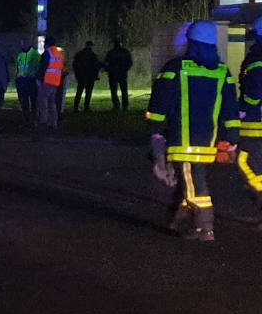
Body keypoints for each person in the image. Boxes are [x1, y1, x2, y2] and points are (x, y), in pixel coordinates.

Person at [146, 20, 239, 241]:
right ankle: (176, 220)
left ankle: (204, 228)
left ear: (191, 42)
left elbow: (159, 105)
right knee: (190, 179)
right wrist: (231, 139)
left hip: (182, 141)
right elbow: (230, 110)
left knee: (194, 182)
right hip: (208, 142)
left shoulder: (176, 68)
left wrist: (155, 130)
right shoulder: (222, 72)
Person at [237, 17, 262, 225]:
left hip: (256, 123)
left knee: (244, 161)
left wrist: (245, 108)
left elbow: (254, 91)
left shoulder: (257, 59)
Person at [35, 36, 64, 131]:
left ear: (46, 44)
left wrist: (39, 78)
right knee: (52, 103)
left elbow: (43, 66)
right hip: (55, 82)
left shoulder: (48, 53)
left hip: (46, 81)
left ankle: (44, 122)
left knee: (43, 102)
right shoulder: (59, 54)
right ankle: (53, 123)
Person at [14, 40, 39, 126]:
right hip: (21, 81)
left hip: (31, 80)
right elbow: (18, 67)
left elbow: (38, 68)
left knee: (33, 101)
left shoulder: (35, 55)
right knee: (23, 101)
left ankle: (34, 119)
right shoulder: (20, 55)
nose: (22, 45)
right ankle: (26, 119)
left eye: (24, 43)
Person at [72, 40, 101, 112]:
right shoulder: (93, 55)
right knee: (88, 92)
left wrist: (77, 74)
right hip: (90, 76)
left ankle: (76, 107)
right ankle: (86, 107)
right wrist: (96, 75)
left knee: (79, 91)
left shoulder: (79, 54)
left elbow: (75, 65)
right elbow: (96, 66)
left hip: (81, 76)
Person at [105, 40, 133, 110]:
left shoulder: (111, 53)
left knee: (113, 91)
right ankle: (125, 106)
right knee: (124, 90)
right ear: (121, 44)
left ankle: (116, 105)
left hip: (113, 74)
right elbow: (130, 62)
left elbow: (106, 63)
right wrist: (125, 69)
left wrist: (109, 70)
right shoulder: (125, 52)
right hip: (122, 74)